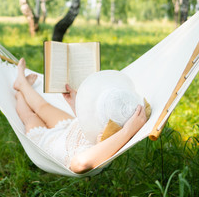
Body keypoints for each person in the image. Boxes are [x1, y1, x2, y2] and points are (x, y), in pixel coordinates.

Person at [13, 58, 148, 174]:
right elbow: (92, 125)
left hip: (48, 141)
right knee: (43, 107)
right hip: (71, 128)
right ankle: (23, 84)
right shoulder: (105, 126)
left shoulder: (91, 152)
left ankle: (20, 91)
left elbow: (80, 164)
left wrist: (128, 131)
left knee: (30, 117)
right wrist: (76, 105)